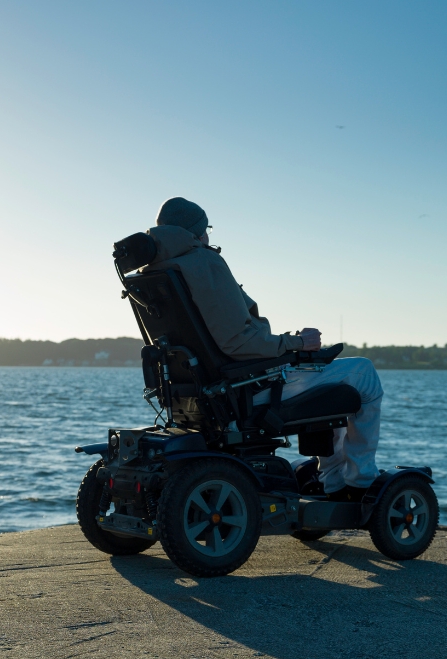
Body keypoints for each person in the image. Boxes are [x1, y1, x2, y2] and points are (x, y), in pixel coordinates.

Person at [140, 197, 383, 501]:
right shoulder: (203, 263)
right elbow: (237, 342)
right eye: (207, 230)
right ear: (197, 232)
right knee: (362, 373)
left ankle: (332, 477)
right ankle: (360, 479)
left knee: (330, 377)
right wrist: (296, 343)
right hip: (244, 387)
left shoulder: (153, 273)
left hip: (201, 390)